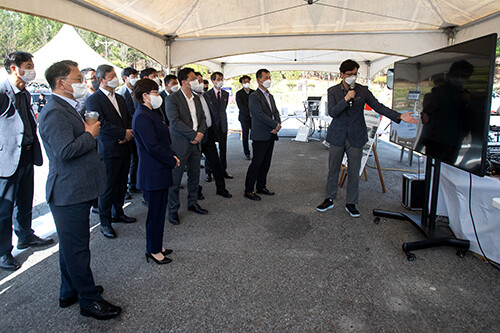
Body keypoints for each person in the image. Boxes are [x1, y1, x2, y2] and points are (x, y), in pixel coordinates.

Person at [39, 60, 121, 320]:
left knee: (70, 246)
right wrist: (90, 134)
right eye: (77, 79)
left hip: (77, 188)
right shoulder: (54, 111)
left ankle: (70, 290)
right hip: (68, 191)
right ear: (61, 83)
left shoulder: (66, 106)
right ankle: (89, 301)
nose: (84, 83)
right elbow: (64, 152)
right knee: (77, 249)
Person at [317, 59, 418, 217]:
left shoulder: (363, 91)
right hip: (337, 135)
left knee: (354, 170)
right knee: (333, 169)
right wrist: (345, 99)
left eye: (355, 74)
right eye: (349, 74)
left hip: (357, 136)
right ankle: (329, 198)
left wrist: (398, 116)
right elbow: (332, 112)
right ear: (341, 74)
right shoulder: (333, 91)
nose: (352, 77)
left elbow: (378, 106)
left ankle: (351, 202)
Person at [0, 51, 53, 271]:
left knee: (25, 199)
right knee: (4, 208)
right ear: (14, 68)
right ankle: (4, 252)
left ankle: (25, 235)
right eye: (28, 65)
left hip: (27, 154)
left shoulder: (25, 93)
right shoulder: (2, 92)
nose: (32, 69)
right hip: (7, 158)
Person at [132, 78, 180, 264]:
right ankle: (152, 250)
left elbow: (163, 141)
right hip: (152, 171)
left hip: (160, 168)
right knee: (155, 213)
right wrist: (170, 159)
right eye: (154, 92)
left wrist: (172, 155)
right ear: (145, 95)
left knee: (160, 211)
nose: (157, 95)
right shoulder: (142, 115)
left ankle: (157, 245)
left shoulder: (152, 112)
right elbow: (152, 146)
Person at [86, 64, 136, 239]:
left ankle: (118, 212)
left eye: (115, 75)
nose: (115, 78)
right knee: (108, 187)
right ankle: (105, 222)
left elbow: (128, 118)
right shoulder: (94, 99)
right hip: (108, 148)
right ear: (101, 80)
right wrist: (122, 133)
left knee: (122, 183)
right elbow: (100, 124)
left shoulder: (120, 97)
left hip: (125, 145)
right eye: (111, 75)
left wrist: (129, 133)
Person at [165, 67, 208, 225]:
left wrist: (200, 133)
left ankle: (192, 203)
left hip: (196, 144)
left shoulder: (196, 98)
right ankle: (173, 210)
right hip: (180, 144)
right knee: (175, 180)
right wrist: (193, 135)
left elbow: (202, 118)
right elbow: (174, 121)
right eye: (193, 79)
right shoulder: (172, 99)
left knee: (194, 176)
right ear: (184, 82)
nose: (196, 82)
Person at [244, 68, 281, 201]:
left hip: (270, 134)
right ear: (259, 80)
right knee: (257, 163)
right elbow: (258, 114)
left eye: (269, 77)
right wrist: (274, 125)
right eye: (265, 77)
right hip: (260, 135)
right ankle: (248, 190)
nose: (268, 80)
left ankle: (261, 186)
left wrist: (278, 124)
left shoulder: (270, 95)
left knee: (266, 163)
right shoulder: (254, 96)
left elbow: (275, 112)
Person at [193, 72, 232, 198]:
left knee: (215, 161)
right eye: (197, 81)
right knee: (194, 166)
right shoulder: (189, 99)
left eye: (201, 81)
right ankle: (196, 191)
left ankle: (221, 188)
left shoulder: (205, 97)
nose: (201, 84)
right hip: (196, 136)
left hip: (209, 134)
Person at [117, 67, 140, 195]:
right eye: (133, 76)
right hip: (127, 131)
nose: (135, 78)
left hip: (137, 131)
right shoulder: (120, 94)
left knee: (136, 158)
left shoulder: (137, 92)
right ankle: (125, 187)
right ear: (125, 78)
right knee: (129, 160)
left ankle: (134, 183)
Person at [206, 71, 232, 180]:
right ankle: (208, 171)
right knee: (210, 150)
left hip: (223, 125)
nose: (220, 81)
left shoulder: (225, 94)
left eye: (221, 79)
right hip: (211, 125)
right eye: (218, 79)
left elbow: (223, 110)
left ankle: (223, 170)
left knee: (223, 149)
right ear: (212, 81)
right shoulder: (207, 95)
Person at [236, 75, 255, 160]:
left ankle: (256, 151)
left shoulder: (254, 92)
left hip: (254, 117)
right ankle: (246, 152)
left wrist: (253, 112)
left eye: (248, 81)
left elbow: (256, 104)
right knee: (245, 135)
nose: (246, 83)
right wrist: (249, 112)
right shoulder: (239, 93)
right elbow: (240, 106)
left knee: (255, 134)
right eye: (244, 82)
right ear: (241, 83)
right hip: (244, 117)